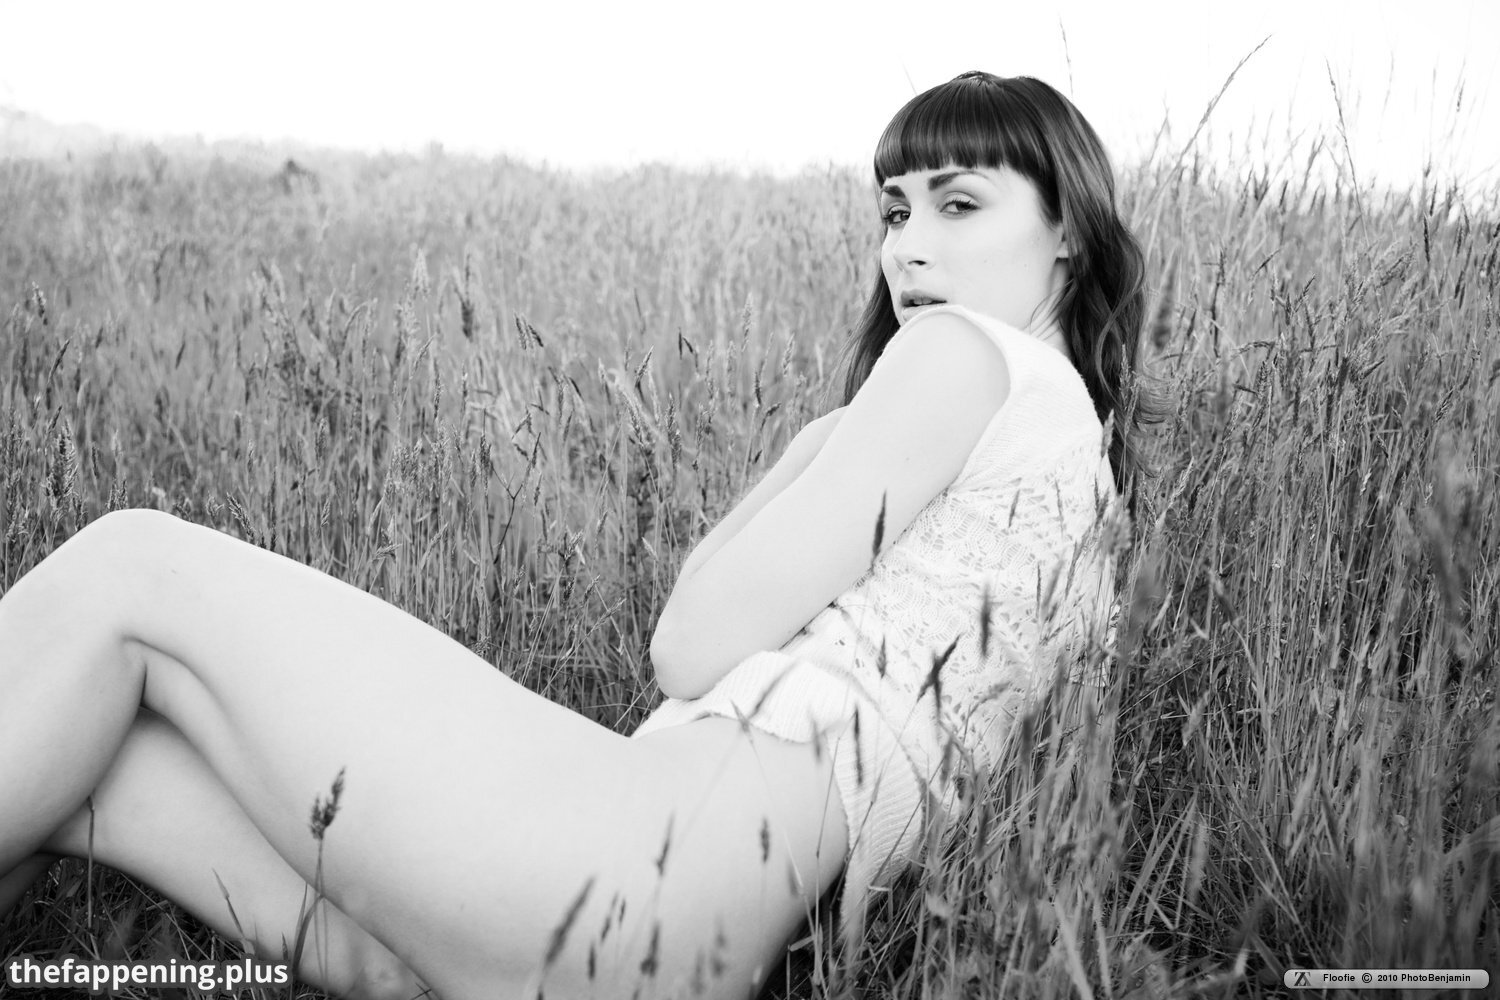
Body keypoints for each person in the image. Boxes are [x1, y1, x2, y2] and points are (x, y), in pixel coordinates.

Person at [0, 71, 1148, 1000]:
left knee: (131, 563)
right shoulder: (1085, 488)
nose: (906, 248)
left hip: (640, 872)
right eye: (893, 212)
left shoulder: (960, 354)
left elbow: (688, 643)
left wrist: (817, 443)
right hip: (679, 947)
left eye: (958, 205)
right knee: (107, 762)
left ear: (1068, 232)